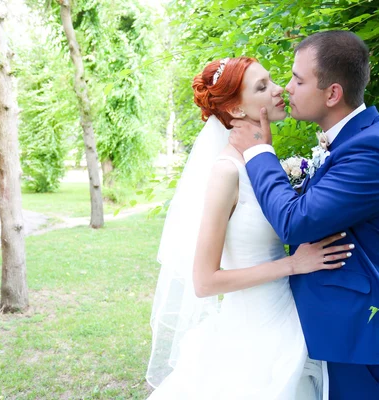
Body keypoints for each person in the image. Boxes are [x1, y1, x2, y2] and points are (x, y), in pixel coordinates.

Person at [145, 56, 353, 400]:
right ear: (237, 110)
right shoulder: (226, 172)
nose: (278, 90)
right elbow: (205, 282)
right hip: (253, 330)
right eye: (262, 87)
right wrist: (293, 264)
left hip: (289, 317)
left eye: (271, 81)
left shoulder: (262, 160)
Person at [229, 31, 379, 400]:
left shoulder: (375, 150)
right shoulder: (351, 141)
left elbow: (295, 221)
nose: (288, 88)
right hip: (326, 329)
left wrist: (258, 153)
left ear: (332, 93)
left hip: (352, 337)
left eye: (298, 80)